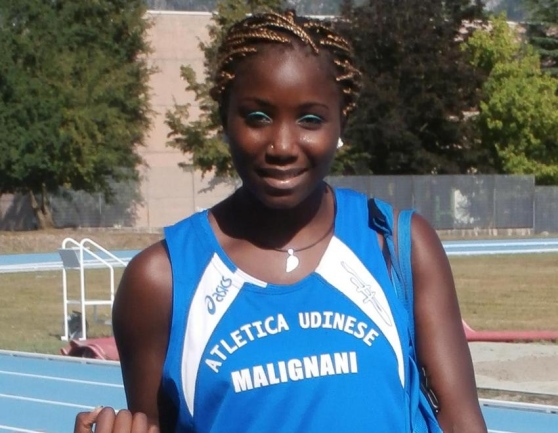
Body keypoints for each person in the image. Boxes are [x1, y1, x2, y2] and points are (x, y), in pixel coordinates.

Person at [75, 9, 487, 433]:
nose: (283, 146)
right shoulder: (162, 282)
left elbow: (461, 422)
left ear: (341, 122)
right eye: (258, 117)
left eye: (310, 119)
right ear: (224, 119)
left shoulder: (397, 246)